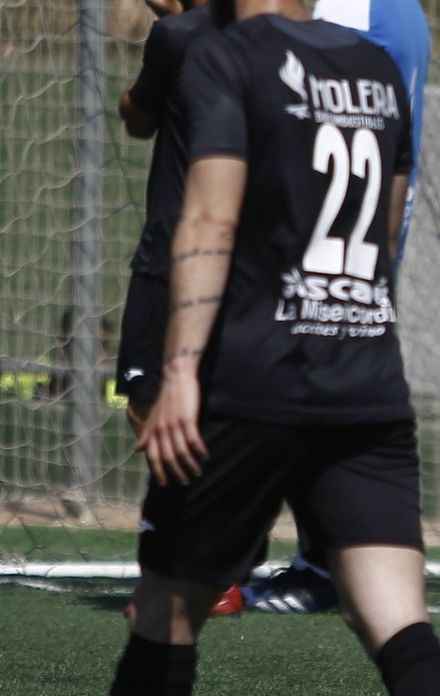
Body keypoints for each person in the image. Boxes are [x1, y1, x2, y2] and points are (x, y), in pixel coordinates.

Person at [1, 0, 440, 696]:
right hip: (364, 382)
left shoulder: (225, 56)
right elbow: (382, 225)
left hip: (254, 381)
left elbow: (208, 220)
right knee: (398, 621)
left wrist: (182, 366)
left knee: (166, 611)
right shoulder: (379, 68)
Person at [236, 0, 431, 615]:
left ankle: (318, 560)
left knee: (306, 358)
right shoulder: (396, 16)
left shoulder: (357, 21)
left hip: (330, 236)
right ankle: (324, 558)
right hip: (355, 231)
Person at [113, 0, 244, 617]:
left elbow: (138, 119)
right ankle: (220, 564)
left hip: (174, 253)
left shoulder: (178, 36)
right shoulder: (294, 41)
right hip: (254, 257)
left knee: (147, 399)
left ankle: (195, 567)